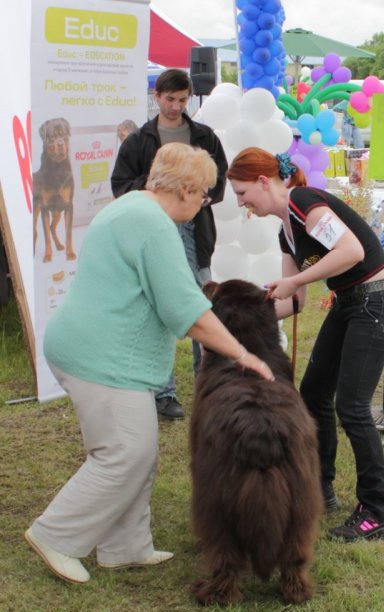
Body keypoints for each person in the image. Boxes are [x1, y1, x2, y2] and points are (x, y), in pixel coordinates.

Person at [24, 143, 273, 585]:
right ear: (187, 189)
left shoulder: (130, 209)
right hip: (100, 357)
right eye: (204, 196)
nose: (204, 205)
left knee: (137, 450)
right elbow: (185, 309)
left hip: (97, 350)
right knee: (124, 453)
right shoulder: (150, 225)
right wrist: (243, 354)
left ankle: (125, 547)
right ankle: (57, 535)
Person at [227, 147, 384, 543]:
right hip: (349, 303)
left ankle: (376, 510)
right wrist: (235, 324)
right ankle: (320, 489)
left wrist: (296, 282)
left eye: (241, 193)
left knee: (352, 406)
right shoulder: (284, 232)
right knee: (313, 394)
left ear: (262, 181)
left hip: (376, 300)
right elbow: (294, 302)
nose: (241, 204)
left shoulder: (303, 202)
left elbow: (352, 252)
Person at [111, 68, 228, 420]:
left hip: (196, 231)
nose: (176, 106)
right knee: (158, 305)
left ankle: (208, 383)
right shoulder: (139, 140)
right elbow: (120, 185)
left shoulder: (204, 136)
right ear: (157, 97)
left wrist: (203, 197)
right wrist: (156, 190)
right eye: (170, 99)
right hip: (155, 228)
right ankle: (163, 393)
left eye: (182, 100)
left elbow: (219, 177)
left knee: (200, 300)